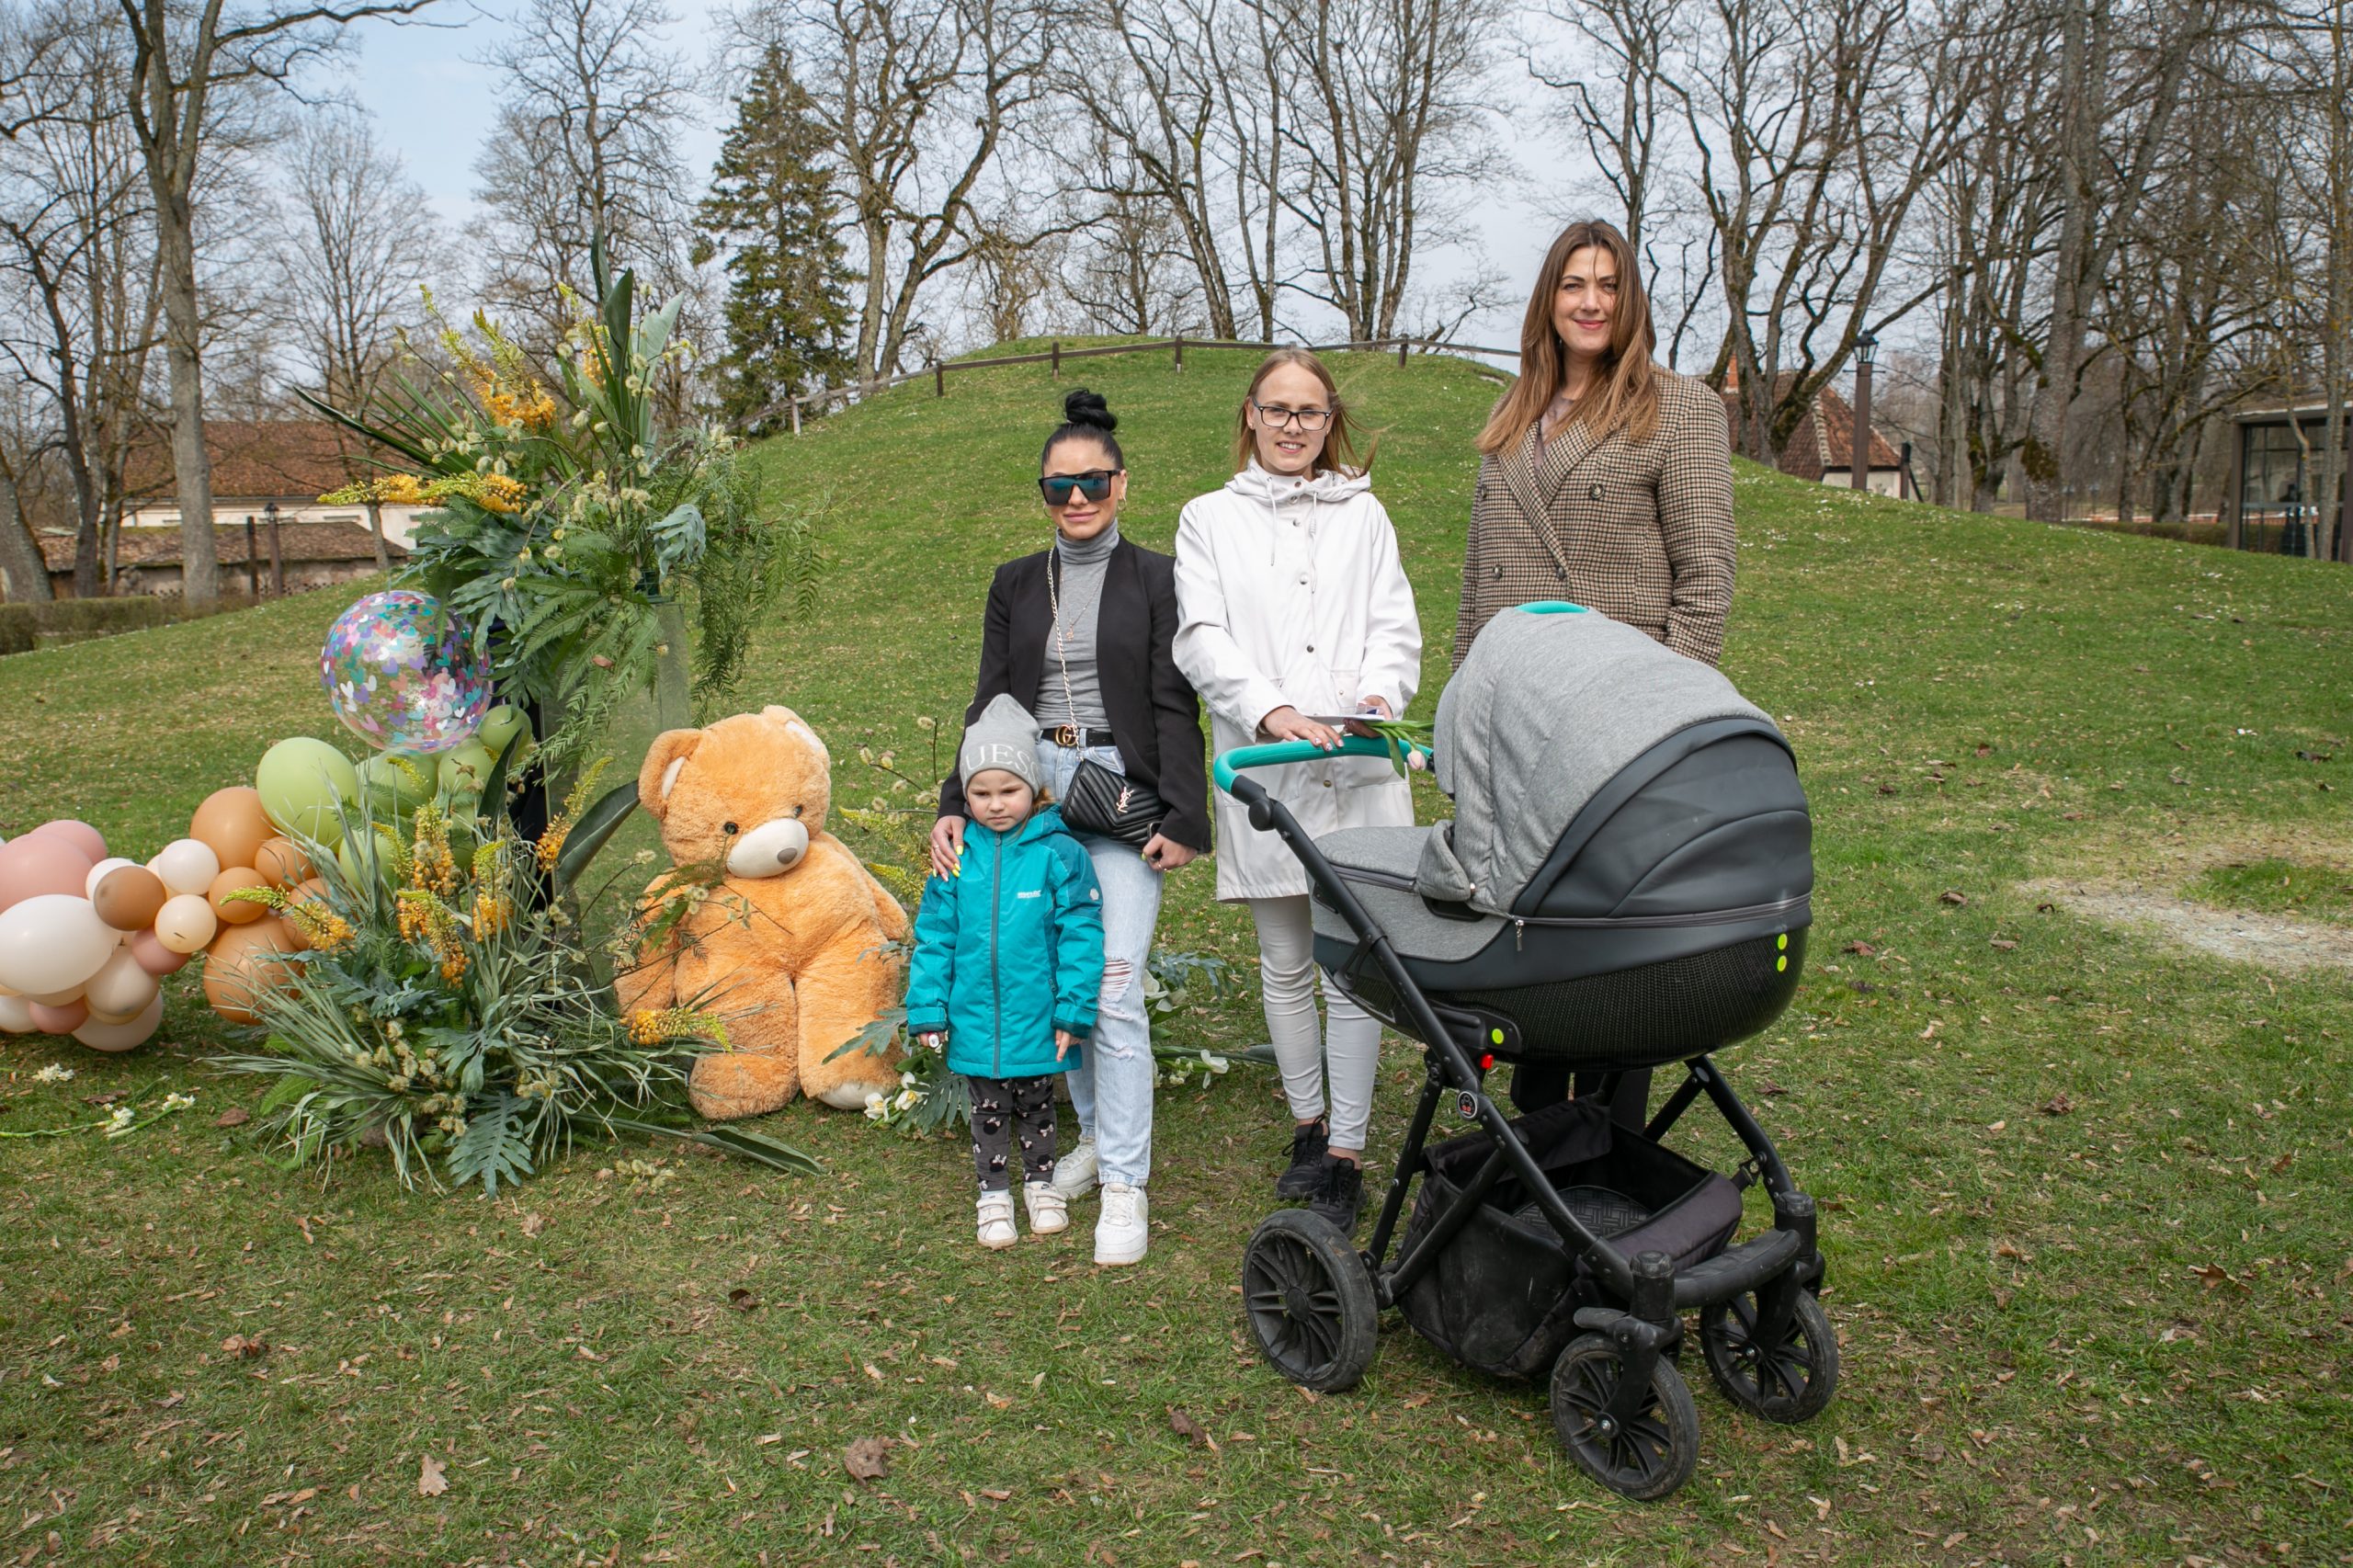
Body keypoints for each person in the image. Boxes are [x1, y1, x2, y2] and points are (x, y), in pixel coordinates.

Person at [1456, 217, 1736, 1124]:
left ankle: (1610, 1146)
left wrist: (1670, 720)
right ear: (1548, 299)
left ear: (1630, 300)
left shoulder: (1678, 408)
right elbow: (1480, 579)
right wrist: (1462, 712)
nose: (1589, 302)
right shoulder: (1513, 413)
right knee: (1532, 932)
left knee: (1618, 939)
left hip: (1621, 717)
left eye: (1607, 285)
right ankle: (1540, 1142)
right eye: (1573, 284)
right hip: (1519, 720)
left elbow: (1706, 579)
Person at [930, 388, 1210, 1267]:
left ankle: (1125, 1182)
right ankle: (1091, 1136)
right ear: (1044, 494)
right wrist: (953, 800)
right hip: (1028, 795)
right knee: (1058, 976)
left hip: (1119, 797)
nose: (1078, 498)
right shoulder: (1015, 582)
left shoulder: (1158, 578)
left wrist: (1186, 814)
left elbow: (1175, 702)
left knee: (1112, 986)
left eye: (1093, 481)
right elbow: (989, 700)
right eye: (1061, 486)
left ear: (1123, 484)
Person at [1173, 348, 1422, 1235]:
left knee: (1353, 965)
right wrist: (1271, 710)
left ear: (1329, 422)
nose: (1291, 426)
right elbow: (1202, 636)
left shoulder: (1365, 516)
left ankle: (1347, 1150)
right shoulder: (1209, 518)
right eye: (1276, 410)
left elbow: (1394, 625)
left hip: (1356, 765)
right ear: (1250, 414)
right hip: (1267, 763)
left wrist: (1378, 700)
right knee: (1285, 960)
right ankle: (1308, 1125)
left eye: (1308, 413)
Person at [905, 695, 1106, 1250]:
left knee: (1038, 1103)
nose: (995, 805)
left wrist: (1074, 1007)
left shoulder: (1059, 854)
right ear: (965, 794)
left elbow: (1081, 933)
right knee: (988, 1108)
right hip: (974, 1013)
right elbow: (935, 937)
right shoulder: (955, 857)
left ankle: (1041, 1185)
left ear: (1034, 787)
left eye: (1009, 791)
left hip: (1037, 1012)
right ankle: (993, 1195)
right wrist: (928, 1008)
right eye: (980, 793)